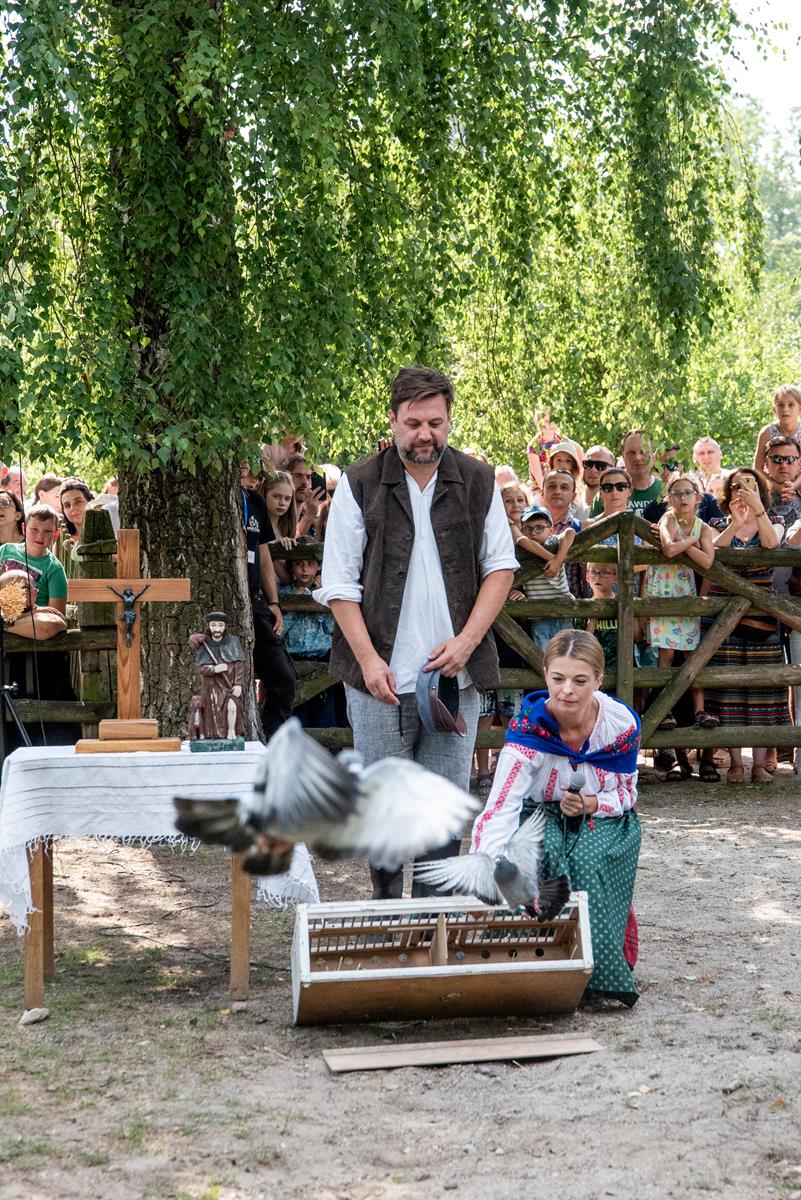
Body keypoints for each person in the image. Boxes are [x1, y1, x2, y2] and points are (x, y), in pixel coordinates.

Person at [315, 365, 517, 899]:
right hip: (378, 677)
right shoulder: (360, 483)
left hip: (454, 677)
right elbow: (339, 583)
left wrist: (467, 643)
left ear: (449, 420)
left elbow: (501, 567)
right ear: (393, 420)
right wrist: (367, 660)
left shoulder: (477, 481)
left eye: (435, 422)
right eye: (413, 423)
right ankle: (387, 913)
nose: (425, 434)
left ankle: (431, 926)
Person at [471, 629, 641, 1007]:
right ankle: (538, 969)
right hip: (539, 812)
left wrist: (591, 803)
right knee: (538, 853)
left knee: (586, 858)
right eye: (558, 678)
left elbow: (628, 794)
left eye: (580, 680)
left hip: (604, 817)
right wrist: (489, 866)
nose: (567, 690)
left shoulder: (620, 726)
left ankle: (598, 975)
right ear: (545, 674)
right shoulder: (529, 731)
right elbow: (501, 806)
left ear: (598, 680)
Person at [701, 469, 788, 784]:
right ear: (728, 492)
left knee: (764, 691)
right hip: (725, 620)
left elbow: (771, 544)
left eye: (749, 485)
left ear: (760, 490)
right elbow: (714, 551)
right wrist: (735, 523)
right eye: (736, 486)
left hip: (763, 618)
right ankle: (736, 764)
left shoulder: (774, 520)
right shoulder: (716, 523)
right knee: (729, 693)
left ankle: (759, 765)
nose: (742, 491)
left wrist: (758, 511)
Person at [643, 474, 716, 746]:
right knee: (667, 653)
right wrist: (690, 543)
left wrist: (688, 544)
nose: (682, 498)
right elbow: (669, 548)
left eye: (687, 493)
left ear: (698, 497)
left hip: (685, 591)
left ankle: (700, 710)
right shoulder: (668, 519)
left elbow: (707, 562)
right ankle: (664, 710)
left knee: (691, 652)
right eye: (676, 493)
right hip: (663, 590)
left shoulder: (703, 528)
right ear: (669, 499)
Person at [241, 482, 297, 742]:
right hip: (220, 605)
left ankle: (268, 743)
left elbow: (263, 554)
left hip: (254, 602)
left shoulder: (255, 502)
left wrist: (273, 602)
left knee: (283, 677)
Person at [280, 540, 337, 727]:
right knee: (297, 713)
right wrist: (296, 606)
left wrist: (317, 599)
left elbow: (332, 628)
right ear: (291, 567)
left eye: (310, 564)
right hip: (293, 659)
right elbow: (279, 632)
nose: (305, 569)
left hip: (323, 658)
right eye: (299, 564)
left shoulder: (325, 593)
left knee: (324, 714)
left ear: (318, 566)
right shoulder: (283, 594)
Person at [512, 504, 575, 648]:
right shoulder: (522, 551)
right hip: (538, 614)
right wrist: (552, 559)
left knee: (567, 650)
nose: (533, 532)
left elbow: (570, 532)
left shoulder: (553, 542)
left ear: (551, 529)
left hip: (564, 610)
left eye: (540, 528)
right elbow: (522, 541)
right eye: (528, 529)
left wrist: (558, 560)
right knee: (543, 654)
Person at [0, 503, 67, 612]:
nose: (40, 536)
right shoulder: (5, 550)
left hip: (33, 617)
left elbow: (57, 613)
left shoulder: (54, 569)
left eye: (48, 531)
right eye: (34, 529)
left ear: (56, 534)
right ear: (24, 529)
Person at [189, 612, 246, 741]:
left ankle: (231, 732)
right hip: (211, 688)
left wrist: (238, 684)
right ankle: (211, 735)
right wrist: (214, 669)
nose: (217, 629)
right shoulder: (205, 644)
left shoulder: (233, 642)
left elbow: (240, 665)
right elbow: (200, 668)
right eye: (213, 625)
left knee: (232, 708)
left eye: (220, 625)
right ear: (209, 626)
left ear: (225, 627)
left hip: (229, 685)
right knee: (213, 713)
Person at [590, 430, 662, 518]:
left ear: (653, 457)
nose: (637, 457)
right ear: (623, 457)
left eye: (643, 451)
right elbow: (593, 526)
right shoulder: (607, 492)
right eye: (631, 453)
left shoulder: (665, 491)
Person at [0, 569, 67, 640]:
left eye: (25, 588)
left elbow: (46, 628)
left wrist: (4, 625)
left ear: (35, 592)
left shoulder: (48, 612)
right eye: (10, 590)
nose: (19, 593)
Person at [258, 470, 298, 584]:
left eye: (287, 498)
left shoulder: (287, 529)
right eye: (276, 496)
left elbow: (288, 579)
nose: (282, 503)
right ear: (265, 494)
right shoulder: (255, 525)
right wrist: (271, 550)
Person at [754, 384, 801, 474]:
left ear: (800, 409)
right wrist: (773, 483)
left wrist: (795, 483)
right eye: (781, 405)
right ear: (774, 409)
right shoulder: (767, 433)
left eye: (791, 405)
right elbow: (757, 468)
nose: (785, 409)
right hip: (771, 480)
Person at [580, 445, 616, 516]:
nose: (593, 470)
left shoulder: (620, 503)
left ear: (613, 470)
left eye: (601, 465)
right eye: (588, 464)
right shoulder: (570, 500)